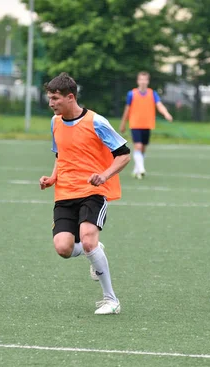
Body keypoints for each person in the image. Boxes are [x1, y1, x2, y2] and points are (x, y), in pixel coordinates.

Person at [39, 73, 131, 315]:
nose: (51, 103)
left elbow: (124, 154)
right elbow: (61, 155)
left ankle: (111, 300)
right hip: (64, 193)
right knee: (63, 248)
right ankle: (95, 252)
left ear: (70, 97)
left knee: (88, 239)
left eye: (55, 98)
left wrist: (105, 175)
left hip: (92, 191)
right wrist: (52, 177)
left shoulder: (96, 122)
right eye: (49, 98)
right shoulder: (55, 122)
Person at [119, 71, 173, 179]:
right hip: (135, 124)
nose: (143, 82)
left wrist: (166, 113)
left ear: (148, 81)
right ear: (138, 81)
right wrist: (123, 123)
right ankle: (142, 168)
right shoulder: (132, 94)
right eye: (141, 79)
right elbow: (127, 110)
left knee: (143, 148)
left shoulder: (152, 93)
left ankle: (136, 169)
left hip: (147, 124)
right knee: (138, 146)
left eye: (145, 79)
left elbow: (159, 105)